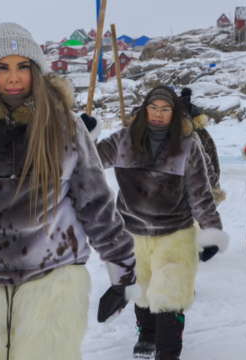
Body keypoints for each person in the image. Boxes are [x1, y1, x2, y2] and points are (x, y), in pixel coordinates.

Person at [0, 22, 138, 360]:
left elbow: (95, 201)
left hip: (53, 277)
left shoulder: (64, 125)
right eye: (3, 68)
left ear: (36, 70)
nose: (14, 77)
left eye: (23, 66)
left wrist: (122, 266)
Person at [96, 85, 229, 360]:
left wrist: (212, 229)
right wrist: (84, 135)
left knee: (170, 295)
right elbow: (89, 159)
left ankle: (168, 353)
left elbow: (200, 193)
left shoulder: (188, 146)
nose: (158, 114)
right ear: (144, 111)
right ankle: (146, 336)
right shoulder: (123, 140)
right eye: (153, 108)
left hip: (175, 233)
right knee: (142, 290)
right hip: (133, 232)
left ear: (174, 113)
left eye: (165, 109)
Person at [179, 87, 225, 205]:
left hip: (197, 194)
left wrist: (213, 190)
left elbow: (211, 164)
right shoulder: (163, 135)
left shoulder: (201, 135)